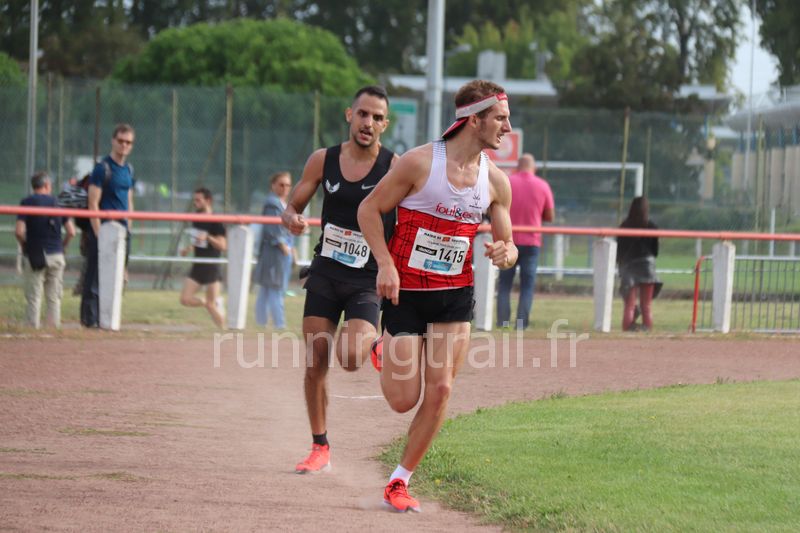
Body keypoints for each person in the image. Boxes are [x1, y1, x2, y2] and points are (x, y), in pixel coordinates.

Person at [357, 80, 518, 512]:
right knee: (402, 400)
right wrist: (385, 264)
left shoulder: (495, 181)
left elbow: (509, 244)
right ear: (474, 120)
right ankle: (381, 346)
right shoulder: (420, 163)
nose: (507, 127)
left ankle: (399, 480)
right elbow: (368, 209)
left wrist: (507, 253)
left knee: (442, 388)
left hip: (455, 296)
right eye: (501, 118)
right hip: (406, 294)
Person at [282, 85, 398, 474]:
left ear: (385, 124)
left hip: (367, 278)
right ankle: (320, 447)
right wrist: (292, 219)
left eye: (377, 117)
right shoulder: (324, 160)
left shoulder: (394, 167)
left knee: (349, 359)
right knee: (316, 361)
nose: (368, 123)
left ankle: (376, 342)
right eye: (363, 114)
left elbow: (411, 216)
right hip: (326, 271)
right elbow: (292, 205)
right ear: (350, 115)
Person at [80, 123, 136, 328]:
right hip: (103, 229)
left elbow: (129, 200)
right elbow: (93, 203)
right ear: (113, 141)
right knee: (95, 276)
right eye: (121, 141)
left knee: (118, 276)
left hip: (122, 230)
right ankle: (90, 320)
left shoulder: (129, 169)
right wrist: (98, 233)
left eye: (128, 142)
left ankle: (109, 320)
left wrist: (129, 228)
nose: (124, 145)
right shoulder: (102, 168)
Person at [496, 153, 554, 329]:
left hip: (508, 240)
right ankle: (521, 324)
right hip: (531, 241)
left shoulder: (507, 182)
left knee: (504, 284)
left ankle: (503, 322)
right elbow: (549, 216)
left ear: (517, 167)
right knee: (527, 286)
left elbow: (495, 210)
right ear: (534, 168)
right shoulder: (543, 185)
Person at [15, 172, 76, 328]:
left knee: (34, 296)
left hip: (35, 255)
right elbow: (71, 232)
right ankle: (53, 328)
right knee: (54, 297)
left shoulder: (27, 202)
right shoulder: (59, 203)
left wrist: (25, 245)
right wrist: (62, 246)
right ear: (47, 185)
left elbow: (19, 231)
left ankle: (32, 327)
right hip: (56, 254)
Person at [179, 187, 227, 328]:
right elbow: (198, 241)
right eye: (194, 200)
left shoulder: (216, 221)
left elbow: (223, 246)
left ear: (208, 201)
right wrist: (188, 249)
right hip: (198, 265)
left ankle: (225, 331)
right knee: (185, 299)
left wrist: (209, 237)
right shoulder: (197, 218)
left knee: (211, 306)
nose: (195, 203)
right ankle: (211, 302)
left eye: (198, 200)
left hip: (211, 265)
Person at [254, 171, 294, 329]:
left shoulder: (282, 203)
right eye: (281, 185)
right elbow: (273, 229)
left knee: (266, 289)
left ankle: (261, 322)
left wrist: (291, 249)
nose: (285, 188)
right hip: (275, 252)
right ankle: (279, 324)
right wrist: (283, 245)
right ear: (273, 185)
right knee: (275, 288)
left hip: (278, 251)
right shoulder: (272, 203)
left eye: (288, 185)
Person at [616, 196, 662, 331]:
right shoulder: (652, 227)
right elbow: (655, 252)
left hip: (629, 267)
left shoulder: (624, 226)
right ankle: (647, 331)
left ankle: (627, 330)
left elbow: (620, 251)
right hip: (647, 267)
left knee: (629, 305)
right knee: (646, 306)